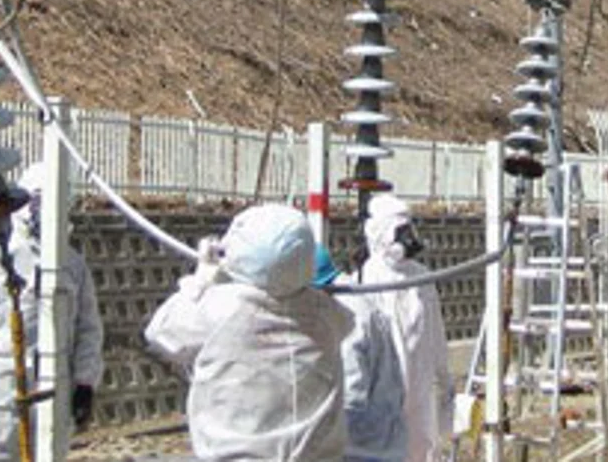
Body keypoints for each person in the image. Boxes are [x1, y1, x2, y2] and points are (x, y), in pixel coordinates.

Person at [145, 204, 352, 460]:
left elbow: (161, 331)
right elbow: (347, 321)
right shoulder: (325, 312)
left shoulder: (222, 306)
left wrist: (201, 280)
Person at [0, 162, 105, 460]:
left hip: (54, 391)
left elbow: (88, 329)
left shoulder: (72, 265)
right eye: (39, 202)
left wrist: (85, 384)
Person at [356, 195, 450, 462]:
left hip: (420, 388)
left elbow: (435, 332)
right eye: (399, 231)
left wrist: (445, 381)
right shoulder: (370, 276)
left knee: (422, 445)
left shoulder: (420, 275)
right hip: (385, 391)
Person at [315, 245, 408, 461]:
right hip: (383, 442)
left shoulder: (342, 312)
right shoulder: (357, 299)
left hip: (360, 449)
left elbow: (351, 396)